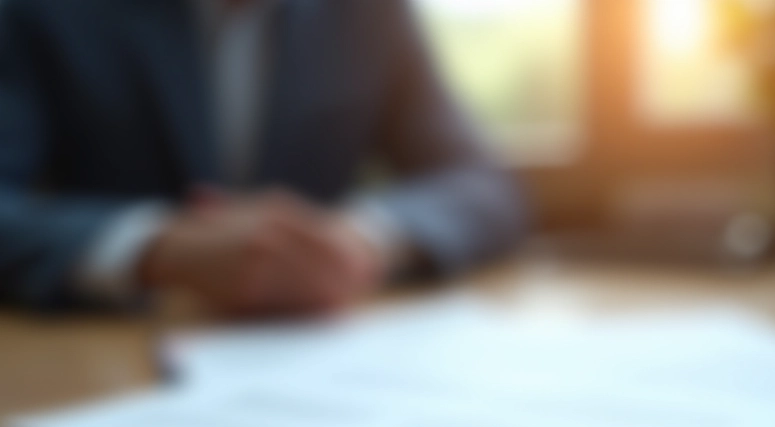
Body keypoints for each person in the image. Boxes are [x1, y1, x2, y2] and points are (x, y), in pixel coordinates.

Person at [0, 0, 528, 315]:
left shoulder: (368, 12)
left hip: (317, 354)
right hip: (104, 357)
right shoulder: (41, 11)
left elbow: (480, 184)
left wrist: (360, 236)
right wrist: (157, 248)